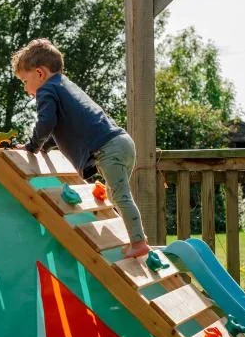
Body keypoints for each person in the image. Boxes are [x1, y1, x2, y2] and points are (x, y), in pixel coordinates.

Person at [13, 38, 151, 259]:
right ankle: (128, 237)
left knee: (120, 195)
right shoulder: (63, 85)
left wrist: (32, 146)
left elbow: (46, 123)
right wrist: (46, 146)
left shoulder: (46, 90)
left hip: (108, 147)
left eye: (24, 80)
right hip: (120, 142)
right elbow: (62, 125)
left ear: (39, 74)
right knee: (116, 196)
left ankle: (138, 242)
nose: (25, 88)